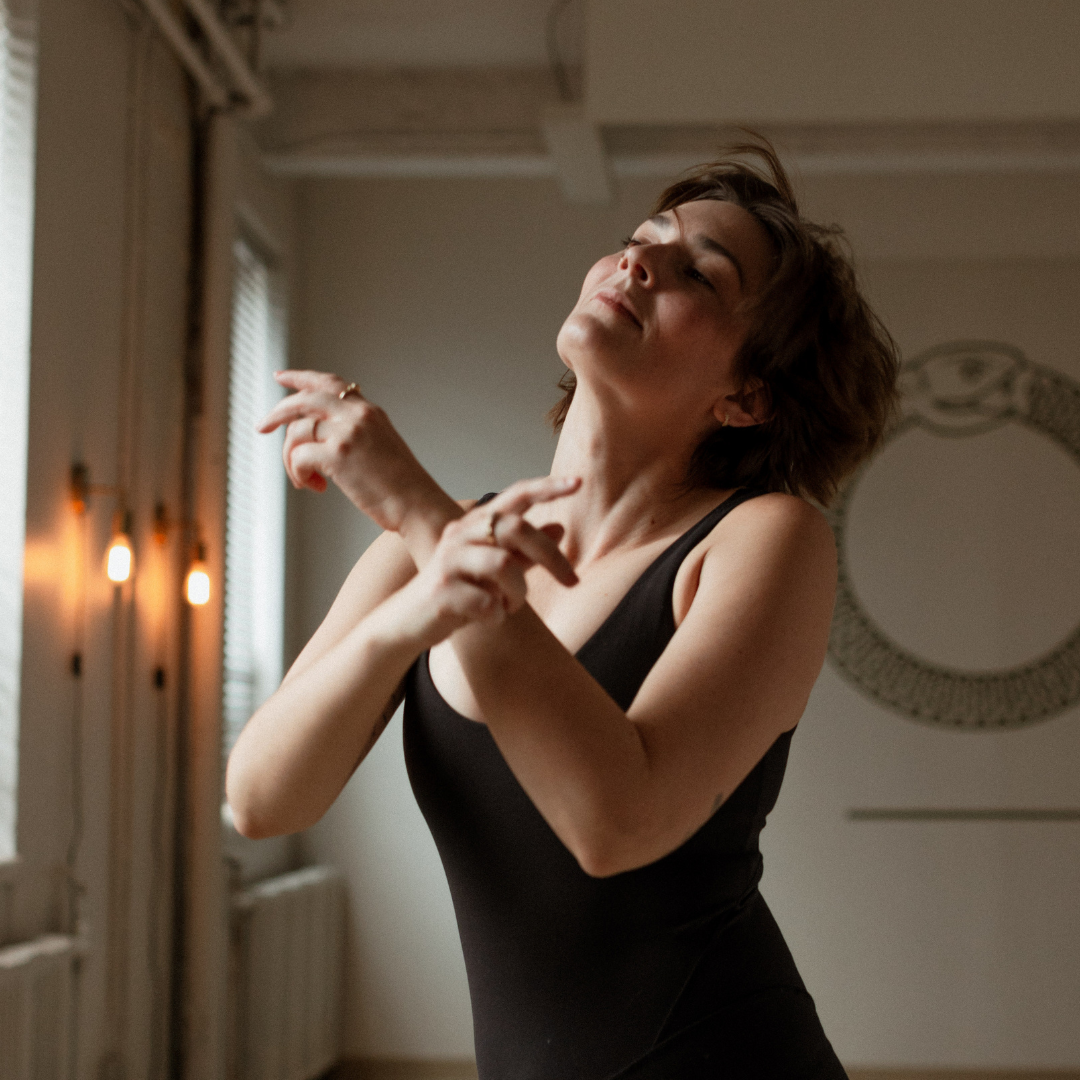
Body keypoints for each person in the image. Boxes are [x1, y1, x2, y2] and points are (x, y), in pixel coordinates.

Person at [226, 140, 899, 1079]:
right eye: (642, 236)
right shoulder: (420, 555)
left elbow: (617, 823)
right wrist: (409, 607)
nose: (641, 261)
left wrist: (422, 513)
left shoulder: (767, 537)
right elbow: (260, 798)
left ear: (747, 397)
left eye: (699, 273)